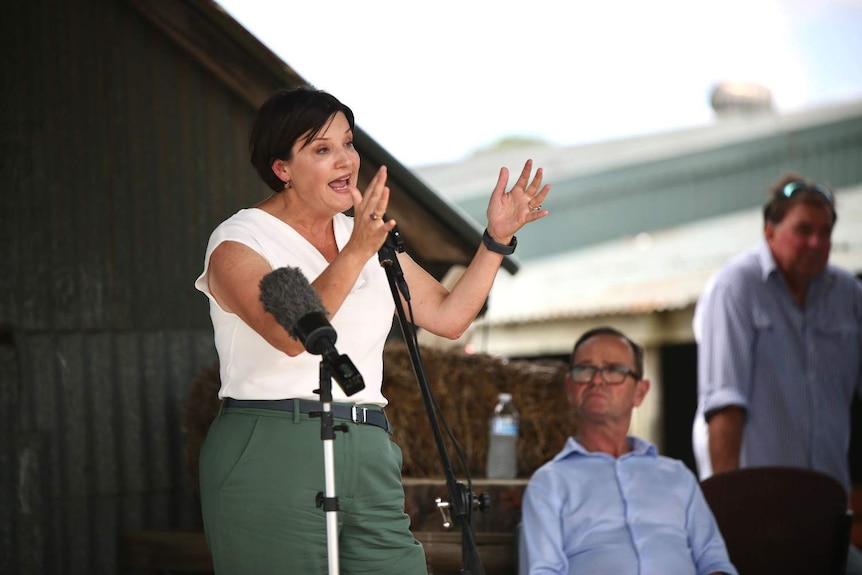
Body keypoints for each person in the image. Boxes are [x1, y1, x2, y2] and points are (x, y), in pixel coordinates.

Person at [193, 86, 551, 574]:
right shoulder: (241, 239)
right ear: (282, 169)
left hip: (366, 444)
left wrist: (496, 239)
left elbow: (448, 317)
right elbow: (289, 332)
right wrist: (358, 248)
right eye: (322, 149)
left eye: (348, 143)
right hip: (271, 443)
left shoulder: (362, 234)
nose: (345, 160)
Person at [692, 172, 862, 573]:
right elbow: (724, 406)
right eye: (803, 230)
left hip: (827, 513)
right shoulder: (735, 287)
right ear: (770, 231)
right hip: (757, 513)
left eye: (825, 232)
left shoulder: (849, 294)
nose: (816, 243)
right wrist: (727, 518)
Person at [519, 326, 736, 575]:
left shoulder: (677, 476)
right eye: (585, 369)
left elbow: (715, 563)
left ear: (640, 392)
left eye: (613, 370)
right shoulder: (549, 483)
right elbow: (542, 571)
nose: (597, 380)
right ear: (570, 388)